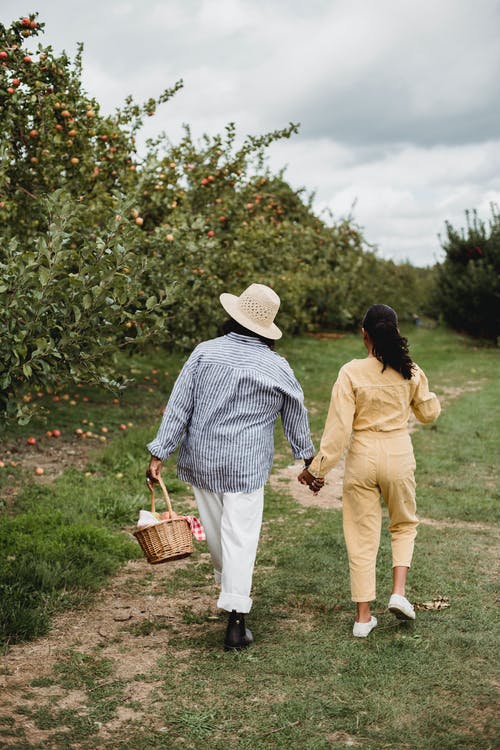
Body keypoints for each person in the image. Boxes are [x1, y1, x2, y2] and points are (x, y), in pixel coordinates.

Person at [146, 283, 315, 650]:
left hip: (204, 460)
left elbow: (179, 405)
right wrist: (307, 457)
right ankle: (236, 619)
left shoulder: (205, 353)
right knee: (240, 536)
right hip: (245, 467)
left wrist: (160, 452)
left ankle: (231, 593)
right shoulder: (276, 365)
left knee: (218, 533)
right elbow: (295, 411)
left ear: (234, 315)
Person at [298, 304, 441, 637]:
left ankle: (363, 618)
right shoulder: (411, 370)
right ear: (394, 332)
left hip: (362, 458)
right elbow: (428, 414)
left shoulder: (350, 372)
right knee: (403, 523)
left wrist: (317, 470)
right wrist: (423, 389)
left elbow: (338, 431)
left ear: (364, 334)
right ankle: (398, 593)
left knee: (361, 535)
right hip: (397, 454)